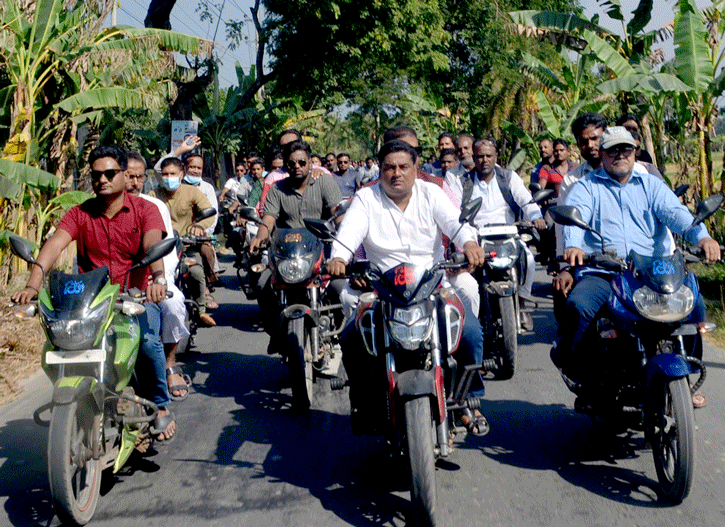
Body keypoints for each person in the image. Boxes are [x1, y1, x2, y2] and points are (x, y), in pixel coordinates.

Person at [12, 145, 176, 441]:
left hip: (133, 297)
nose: (102, 179)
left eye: (110, 173)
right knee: (58, 348)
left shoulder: (146, 210)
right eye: (96, 174)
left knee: (149, 343)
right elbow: (54, 246)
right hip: (92, 301)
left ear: (126, 175)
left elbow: (153, 244)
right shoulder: (79, 213)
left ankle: (161, 406)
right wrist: (32, 285)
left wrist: (158, 278)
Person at [327, 140, 489, 436]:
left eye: (404, 167)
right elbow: (348, 233)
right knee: (351, 338)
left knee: (471, 334)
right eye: (389, 167)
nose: (396, 173)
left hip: (431, 286)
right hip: (382, 290)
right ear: (380, 170)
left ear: (416, 169)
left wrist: (468, 243)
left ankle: (468, 399)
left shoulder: (432, 194)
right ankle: (362, 402)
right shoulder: (366, 199)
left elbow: (455, 224)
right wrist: (339, 257)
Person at [555, 127, 720, 408]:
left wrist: (701, 236)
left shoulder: (651, 186)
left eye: (626, 150)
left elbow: (675, 213)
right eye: (613, 150)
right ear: (602, 155)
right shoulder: (587, 186)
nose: (620, 155)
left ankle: (687, 373)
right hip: (605, 271)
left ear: (635, 152)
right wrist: (574, 246)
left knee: (695, 306)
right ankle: (584, 375)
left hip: (653, 272)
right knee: (579, 306)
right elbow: (575, 216)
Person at [249, 140, 343, 352]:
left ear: (310, 163)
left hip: (321, 253)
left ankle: (340, 334)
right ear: (286, 166)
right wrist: (259, 238)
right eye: (291, 164)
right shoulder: (277, 189)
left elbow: (338, 214)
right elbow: (269, 219)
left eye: (302, 162)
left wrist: (345, 235)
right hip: (288, 254)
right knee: (263, 285)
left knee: (342, 289)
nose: (297, 167)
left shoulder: (325, 183)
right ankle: (275, 332)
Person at [460, 138, 547, 331]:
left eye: (489, 156)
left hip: (509, 235)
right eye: (480, 156)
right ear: (474, 157)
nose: (484, 160)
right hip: (477, 238)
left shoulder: (509, 177)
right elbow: (455, 212)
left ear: (496, 157)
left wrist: (536, 217)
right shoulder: (463, 183)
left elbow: (526, 201)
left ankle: (523, 302)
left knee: (530, 259)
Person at [126, 152, 191, 401]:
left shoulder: (154, 206)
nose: (133, 182)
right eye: (129, 176)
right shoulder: (97, 207)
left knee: (173, 306)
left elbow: (164, 248)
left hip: (152, 279)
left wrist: (160, 278)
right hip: (115, 285)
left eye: (139, 177)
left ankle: (170, 364)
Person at [149, 157, 217, 327]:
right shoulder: (153, 195)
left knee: (196, 273)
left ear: (181, 174)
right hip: (161, 250)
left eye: (172, 173)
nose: (168, 177)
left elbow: (210, 213)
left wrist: (199, 226)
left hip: (187, 247)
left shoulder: (192, 192)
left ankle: (201, 311)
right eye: (165, 174)